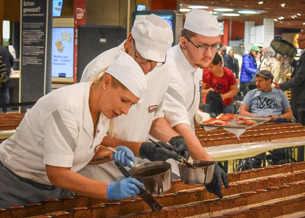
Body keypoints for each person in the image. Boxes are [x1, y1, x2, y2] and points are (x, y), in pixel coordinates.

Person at [0, 52, 148, 208]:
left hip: (53, 189)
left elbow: (79, 152)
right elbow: (58, 174)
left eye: (131, 104)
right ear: (106, 82)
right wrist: (109, 190)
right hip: (15, 185)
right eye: (124, 100)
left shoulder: (103, 111)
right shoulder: (67, 107)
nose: (125, 110)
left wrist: (112, 155)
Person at [78, 15, 189, 183]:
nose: (147, 68)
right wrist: (141, 149)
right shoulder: (101, 70)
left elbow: (153, 116)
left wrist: (173, 138)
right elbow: (88, 136)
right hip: (98, 173)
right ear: (130, 39)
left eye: (154, 62)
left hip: (135, 169)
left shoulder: (162, 70)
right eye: (142, 58)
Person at [163, 9, 229, 198]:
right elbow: (179, 123)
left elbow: (188, 114)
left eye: (214, 46)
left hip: (183, 151)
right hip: (160, 155)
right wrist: (208, 162)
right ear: (184, 42)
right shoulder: (170, 68)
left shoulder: (197, 62)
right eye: (202, 46)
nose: (210, 54)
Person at [239, 70, 293, 166]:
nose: (257, 84)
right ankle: (256, 157)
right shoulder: (251, 94)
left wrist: (278, 116)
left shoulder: (280, 94)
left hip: (275, 123)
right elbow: (242, 112)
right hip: (256, 123)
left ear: (269, 81)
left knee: (280, 122)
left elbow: (289, 114)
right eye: (257, 81)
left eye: (260, 81)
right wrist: (258, 117)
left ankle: (278, 156)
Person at [274, 30, 305, 125]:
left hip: (302, 98)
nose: (298, 42)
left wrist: (282, 86)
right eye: (298, 40)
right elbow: (300, 69)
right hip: (300, 97)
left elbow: (300, 77)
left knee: (300, 124)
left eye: (302, 40)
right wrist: (291, 61)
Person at [0, 46, 14, 113]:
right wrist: (9, 67)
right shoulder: (4, 49)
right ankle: (5, 110)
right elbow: (11, 59)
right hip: (5, 74)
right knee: (5, 90)